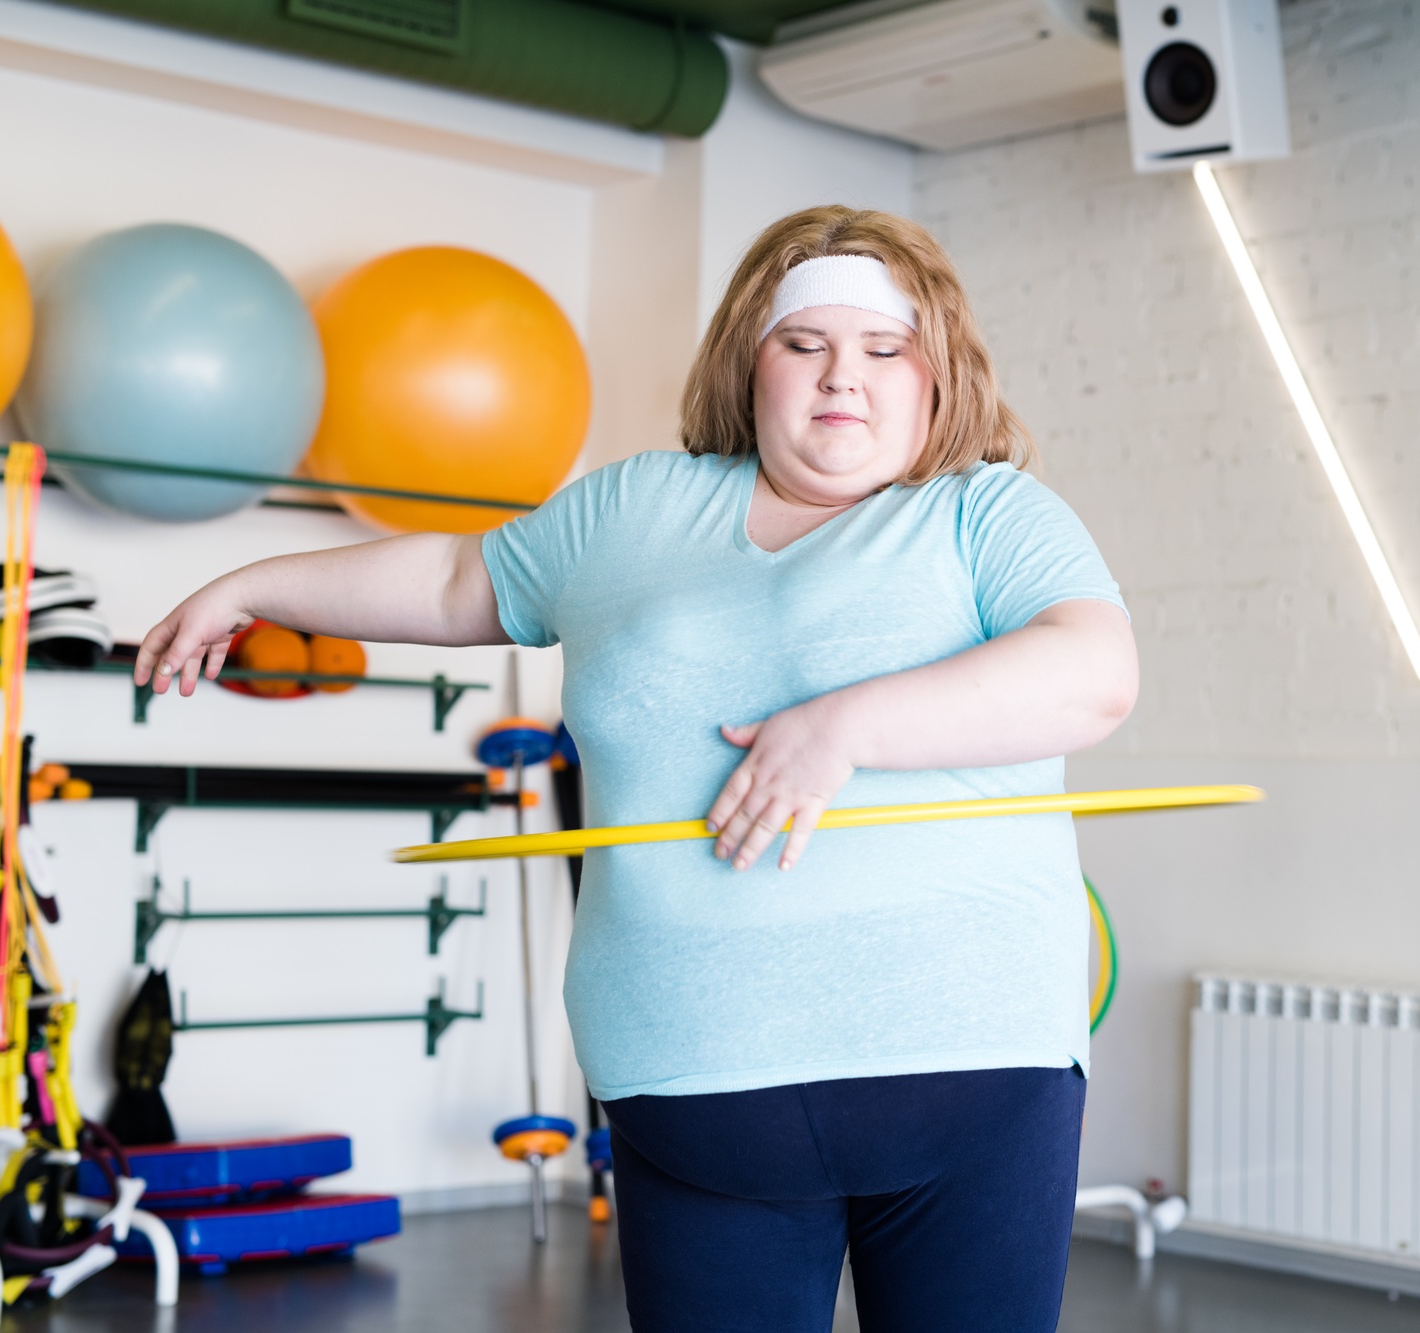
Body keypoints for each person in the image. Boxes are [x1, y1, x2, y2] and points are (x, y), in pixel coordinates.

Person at [134, 206, 1137, 1333]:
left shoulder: (987, 515)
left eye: (881, 350)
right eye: (803, 345)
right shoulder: (630, 510)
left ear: (936, 374)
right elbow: (459, 584)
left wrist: (844, 726)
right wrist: (250, 585)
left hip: (971, 1070)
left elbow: (1092, 672)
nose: (839, 379)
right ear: (748, 367)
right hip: (688, 1082)